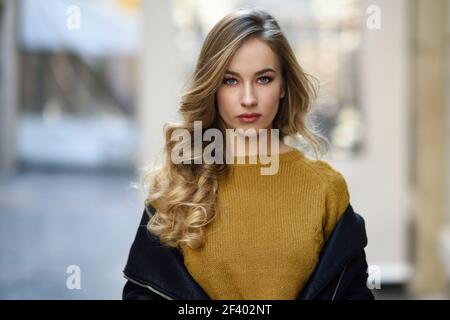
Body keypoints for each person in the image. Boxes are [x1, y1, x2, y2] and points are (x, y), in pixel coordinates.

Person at [122, 8, 374, 300]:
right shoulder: (178, 184)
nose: (248, 99)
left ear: (283, 86)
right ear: (213, 88)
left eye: (264, 79)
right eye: (230, 81)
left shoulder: (326, 188)